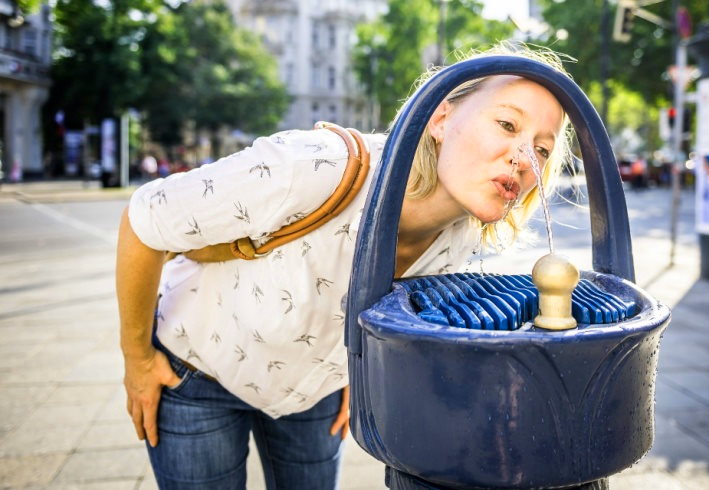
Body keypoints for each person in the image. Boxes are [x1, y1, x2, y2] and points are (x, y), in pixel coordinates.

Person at [116, 43, 573, 489]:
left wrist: (357, 368)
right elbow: (144, 220)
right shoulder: (312, 167)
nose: (524, 156)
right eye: (507, 124)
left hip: (315, 394)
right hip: (197, 373)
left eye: (543, 148)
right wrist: (138, 359)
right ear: (440, 118)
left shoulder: (467, 232)